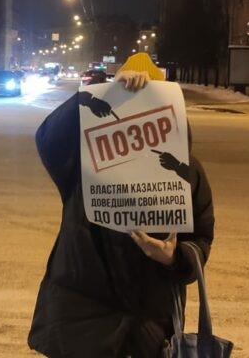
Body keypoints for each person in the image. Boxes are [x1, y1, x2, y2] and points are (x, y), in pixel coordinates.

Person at [28, 53, 216, 358]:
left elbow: (201, 240)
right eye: (128, 103)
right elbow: (49, 139)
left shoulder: (185, 169)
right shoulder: (82, 162)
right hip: (83, 321)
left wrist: (173, 257)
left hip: (148, 326)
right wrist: (96, 97)